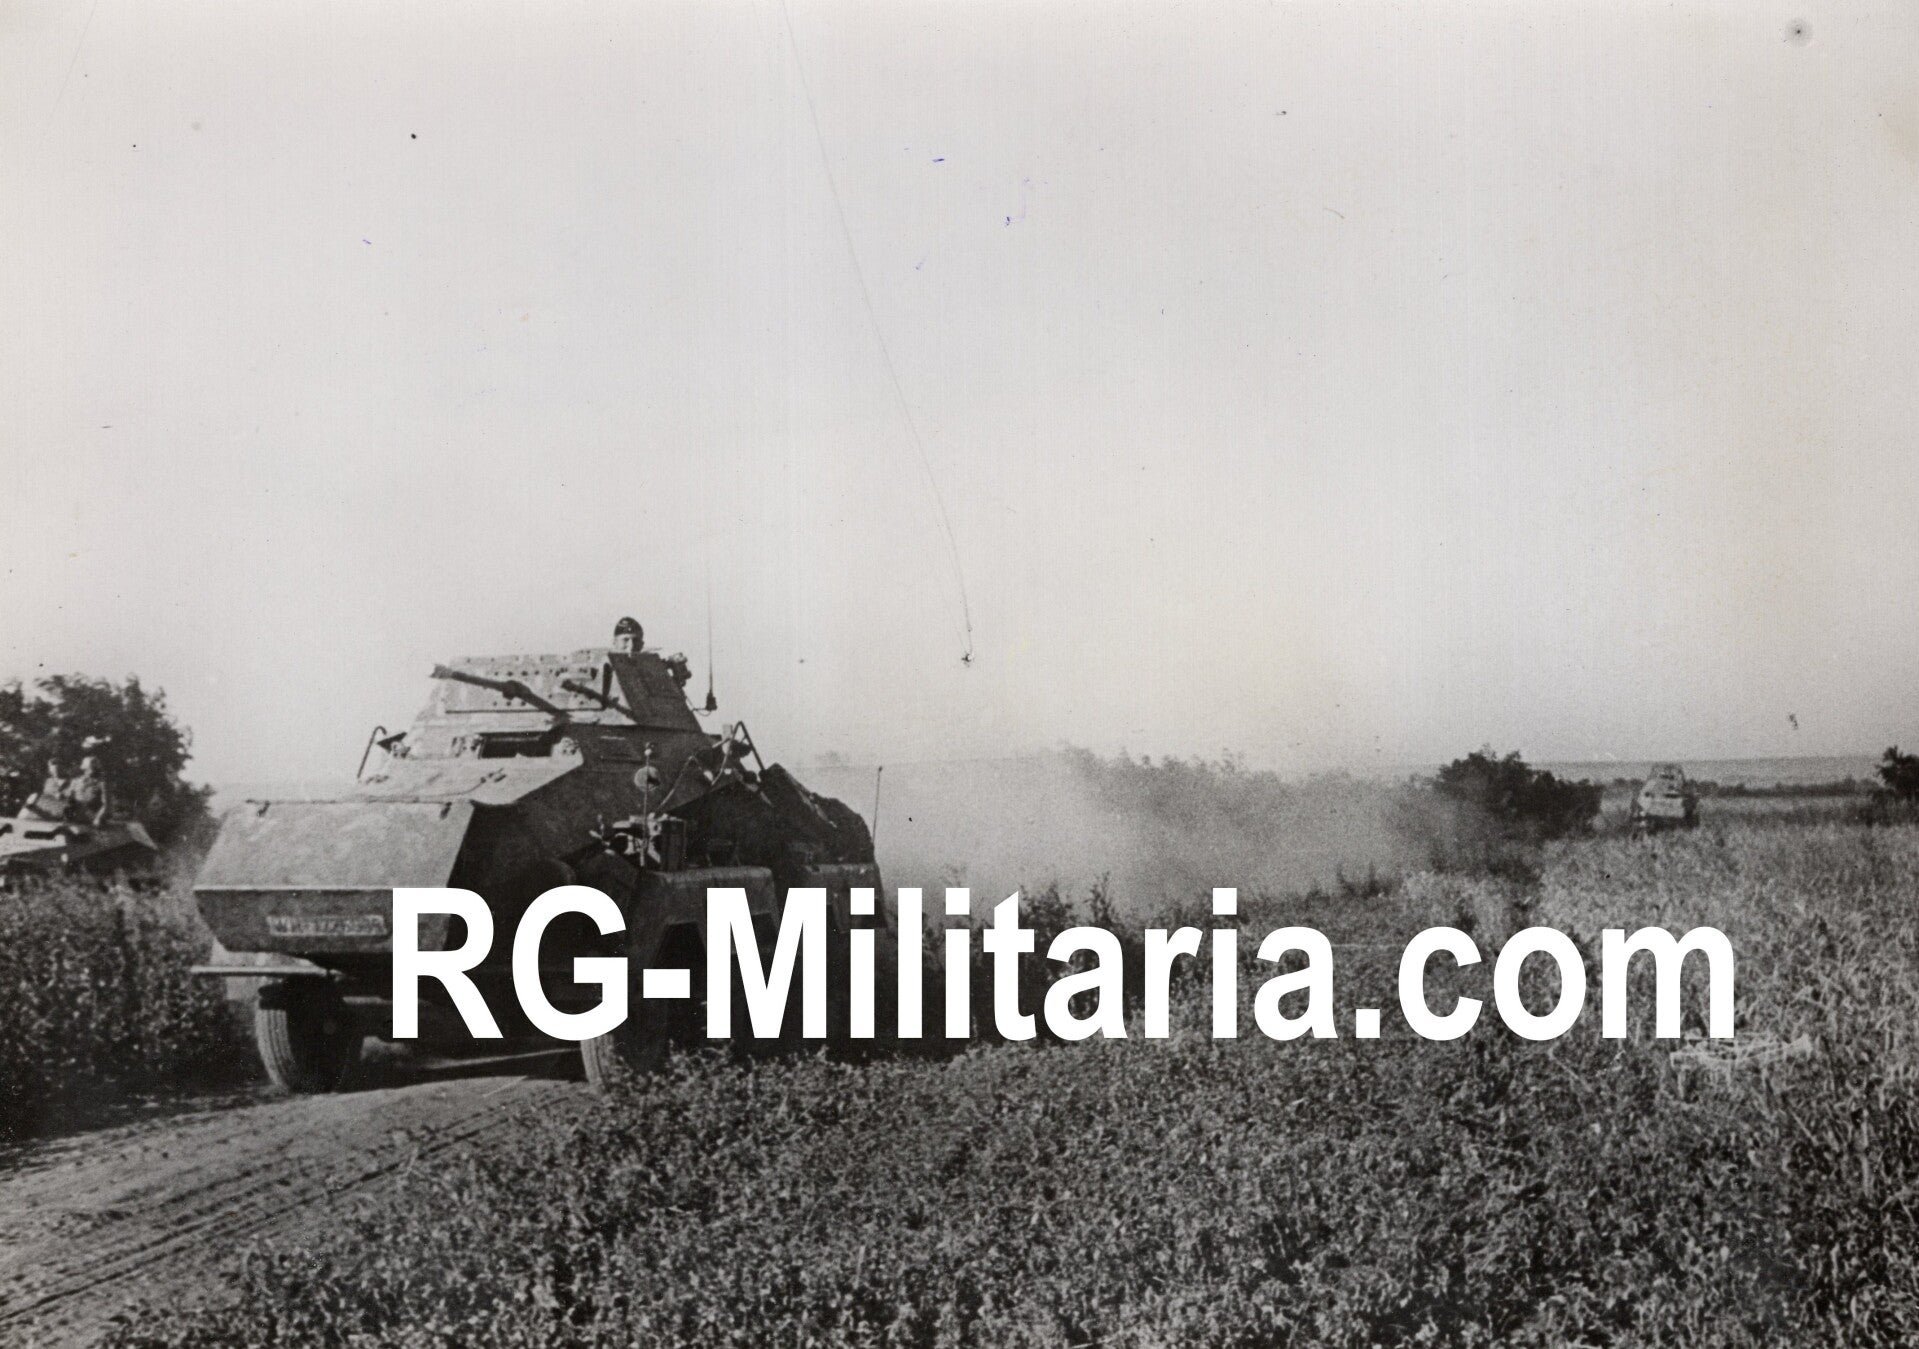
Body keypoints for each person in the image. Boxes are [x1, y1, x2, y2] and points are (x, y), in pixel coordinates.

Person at [66, 755, 110, 825]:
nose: (92, 770)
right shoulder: (75, 781)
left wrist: (98, 818)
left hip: (94, 820)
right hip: (77, 818)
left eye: (94, 768)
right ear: (84, 768)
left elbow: (106, 805)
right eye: (89, 768)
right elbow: (69, 800)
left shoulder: (101, 783)